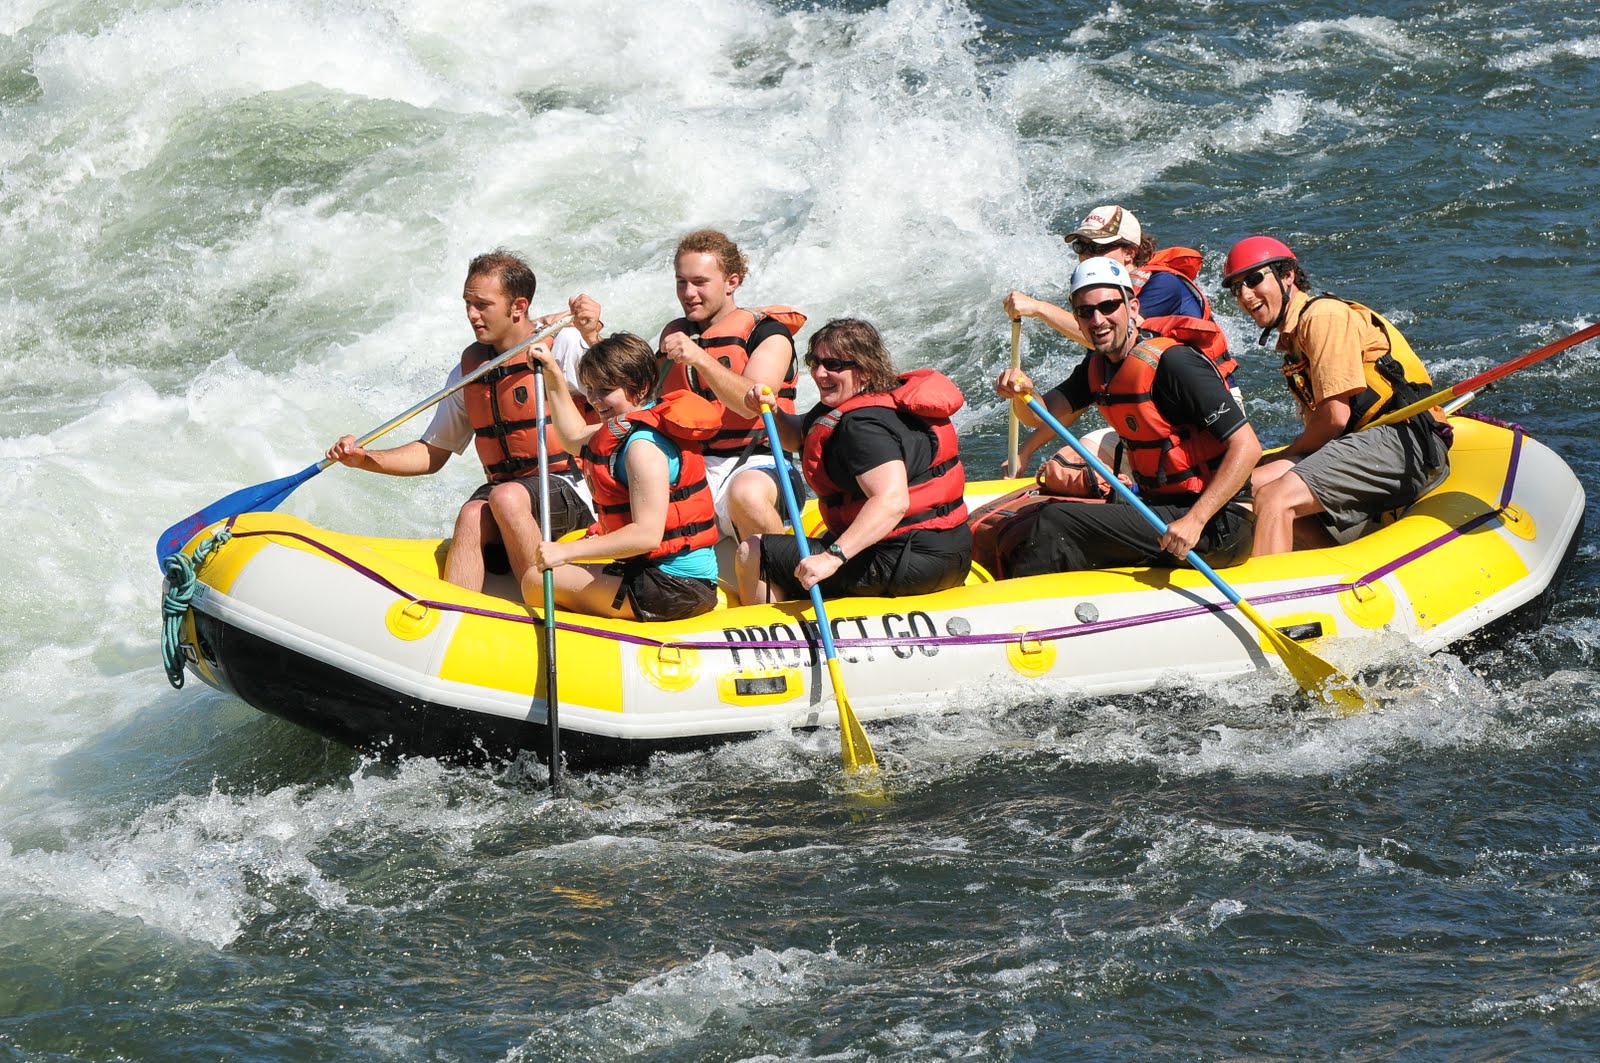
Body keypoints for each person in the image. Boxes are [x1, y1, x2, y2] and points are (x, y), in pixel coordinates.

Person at [326, 250, 602, 592]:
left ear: (518, 306)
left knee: (506, 497)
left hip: (572, 488)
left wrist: (593, 335)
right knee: (472, 513)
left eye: (482, 305)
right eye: (468, 304)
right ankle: (456, 611)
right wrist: (364, 459)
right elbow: (432, 453)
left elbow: (620, 395)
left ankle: (542, 598)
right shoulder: (469, 372)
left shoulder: (563, 344)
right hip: (511, 495)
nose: (472, 314)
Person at [992, 258, 1260, 577]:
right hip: (1160, 508)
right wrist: (1023, 392)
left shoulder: (1175, 364)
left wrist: (1195, 520)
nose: (1098, 320)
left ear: (1132, 308)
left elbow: (1247, 447)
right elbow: (1038, 416)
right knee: (1039, 511)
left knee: (1054, 523)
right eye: (1085, 311)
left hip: (1217, 525)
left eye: (1108, 306)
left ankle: (1029, 603)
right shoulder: (1098, 366)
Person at [1222, 235, 1450, 556]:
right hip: (1362, 444)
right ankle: (1328, 567)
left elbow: (1334, 418)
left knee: (1275, 496)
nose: (1245, 295)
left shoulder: (1322, 317)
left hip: (1402, 441)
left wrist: (1284, 455)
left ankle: (1268, 585)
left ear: (1287, 275)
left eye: (1254, 279)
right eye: (1236, 288)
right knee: (1249, 486)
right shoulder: (1294, 342)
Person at [733, 318, 972, 604]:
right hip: (949, 553)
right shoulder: (880, 396)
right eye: (814, 362)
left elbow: (892, 501)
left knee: (753, 552)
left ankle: (768, 629)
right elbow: (798, 437)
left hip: (908, 561)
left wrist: (832, 557)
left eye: (833, 365)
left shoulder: (862, 428)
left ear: (866, 369)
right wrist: (772, 411)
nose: (819, 373)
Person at [1003, 204, 1238, 471]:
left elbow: (1116, 337)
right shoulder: (1107, 331)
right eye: (1082, 247)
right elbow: (1088, 390)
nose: (1087, 257)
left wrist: (1040, 308)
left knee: (1074, 467)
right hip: (1155, 416)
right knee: (1063, 467)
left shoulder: (1162, 286)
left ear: (1130, 252)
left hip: (1209, 414)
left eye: (1098, 247)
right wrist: (1025, 450)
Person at [524, 332, 721, 622]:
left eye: (605, 390)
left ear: (640, 388)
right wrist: (553, 371)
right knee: (569, 551)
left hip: (674, 586)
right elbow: (573, 437)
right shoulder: (633, 425)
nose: (594, 399)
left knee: (536, 580)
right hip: (665, 577)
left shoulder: (643, 448)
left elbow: (646, 535)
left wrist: (565, 552)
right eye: (590, 388)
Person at [656, 229, 807, 545]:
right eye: (681, 282)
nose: (688, 293)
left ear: (731, 282)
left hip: (762, 464)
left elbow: (752, 403)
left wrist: (700, 358)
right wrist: (591, 337)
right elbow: (634, 397)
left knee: (746, 493)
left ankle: (782, 567)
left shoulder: (768, 334)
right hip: (694, 466)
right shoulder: (675, 338)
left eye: (700, 282)